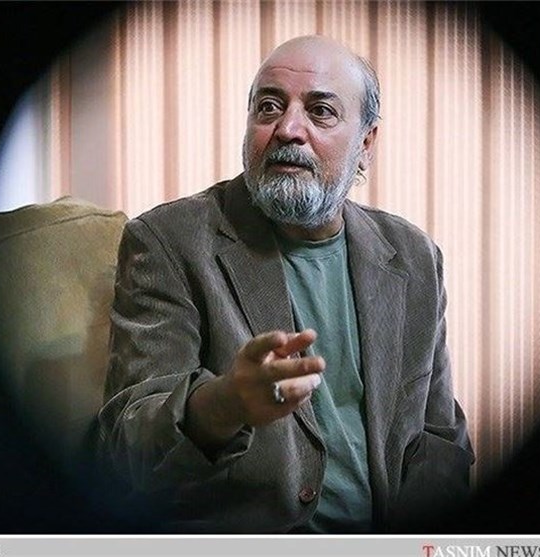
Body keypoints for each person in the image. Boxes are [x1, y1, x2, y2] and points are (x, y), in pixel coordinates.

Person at [98, 35, 473, 533]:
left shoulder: (413, 256)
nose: (288, 129)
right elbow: (126, 446)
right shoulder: (168, 241)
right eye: (269, 107)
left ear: (366, 144)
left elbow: (440, 439)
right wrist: (225, 403)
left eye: (321, 112)